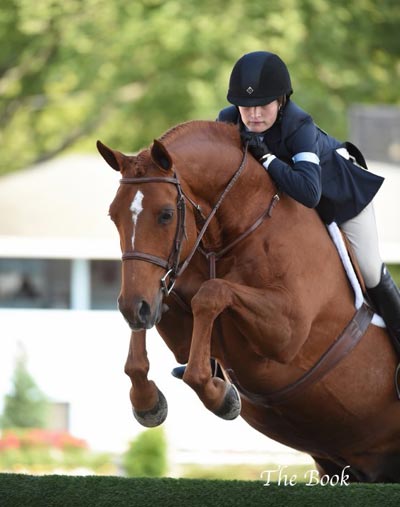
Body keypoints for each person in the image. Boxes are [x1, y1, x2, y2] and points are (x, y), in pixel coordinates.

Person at [172, 50, 400, 380]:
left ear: (281, 100)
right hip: (291, 209)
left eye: (262, 105)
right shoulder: (228, 120)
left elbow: (309, 192)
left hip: (341, 199)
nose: (252, 114)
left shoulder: (299, 126)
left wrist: (265, 158)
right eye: (245, 106)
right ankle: (213, 357)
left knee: (370, 271)